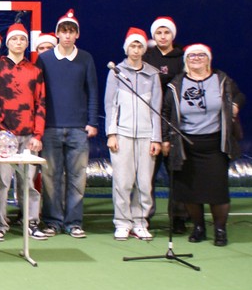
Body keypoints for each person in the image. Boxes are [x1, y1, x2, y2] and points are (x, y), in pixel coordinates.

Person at [162, 44, 244, 247]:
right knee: (190, 191)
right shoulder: (177, 84)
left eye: (201, 55)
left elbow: (239, 95)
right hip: (186, 145)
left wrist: (235, 105)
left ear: (208, 59)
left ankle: (220, 229)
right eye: (191, 56)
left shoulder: (221, 79)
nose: (196, 58)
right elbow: (166, 112)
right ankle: (198, 227)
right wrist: (165, 139)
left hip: (215, 144)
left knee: (217, 191)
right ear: (186, 60)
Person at [36, 9, 99, 238]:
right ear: (57, 34)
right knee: (51, 176)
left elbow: (92, 91)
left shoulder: (85, 58)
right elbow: (38, 94)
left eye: (72, 31)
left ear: (77, 35)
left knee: (77, 177)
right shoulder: (44, 59)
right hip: (50, 128)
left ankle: (74, 222)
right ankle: (52, 221)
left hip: (78, 129)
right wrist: (38, 126)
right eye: (64, 31)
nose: (68, 35)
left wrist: (92, 122)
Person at [0, 23, 47, 240]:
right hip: (4, 137)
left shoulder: (35, 70)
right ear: (8, 43)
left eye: (22, 39)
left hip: (28, 136)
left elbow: (41, 103)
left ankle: (31, 222)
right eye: (14, 39)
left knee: (28, 182)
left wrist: (37, 135)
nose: (18, 42)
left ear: (26, 43)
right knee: (1, 183)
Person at [104, 28, 162, 241]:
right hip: (123, 135)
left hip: (146, 137)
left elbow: (157, 109)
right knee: (123, 181)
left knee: (144, 183)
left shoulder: (153, 74)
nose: (136, 50)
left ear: (144, 49)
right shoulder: (116, 72)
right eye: (132, 46)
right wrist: (112, 134)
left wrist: (156, 138)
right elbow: (110, 105)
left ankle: (140, 222)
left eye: (139, 46)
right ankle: (122, 223)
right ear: (126, 48)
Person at [142, 16, 187, 231]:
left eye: (166, 32)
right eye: (158, 33)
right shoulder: (146, 57)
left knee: (176, 173)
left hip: (175, 124)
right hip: (150, 123)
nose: (162, 36)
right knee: (147, 175)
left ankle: (178, 217)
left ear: (172, 35)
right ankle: (144, 216)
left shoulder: (183, 59)